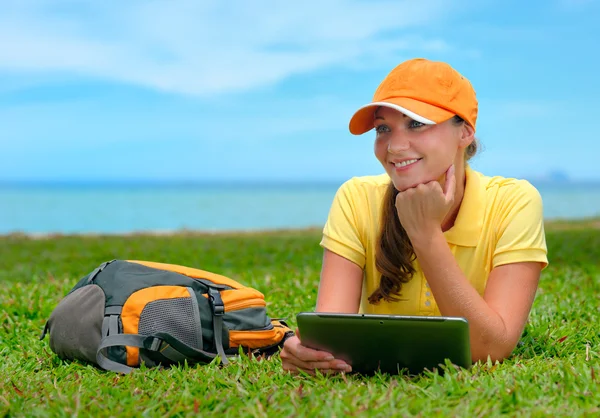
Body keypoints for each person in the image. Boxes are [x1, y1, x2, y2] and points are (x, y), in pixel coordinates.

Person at [280, 58, 548, 375]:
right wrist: (309, 354)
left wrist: (425, 234)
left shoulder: (514, 202)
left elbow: (490, 349)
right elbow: (333, 341)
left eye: (416, 124)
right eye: (383, 129)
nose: (394, 146)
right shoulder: (356, 197)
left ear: (465, 132)